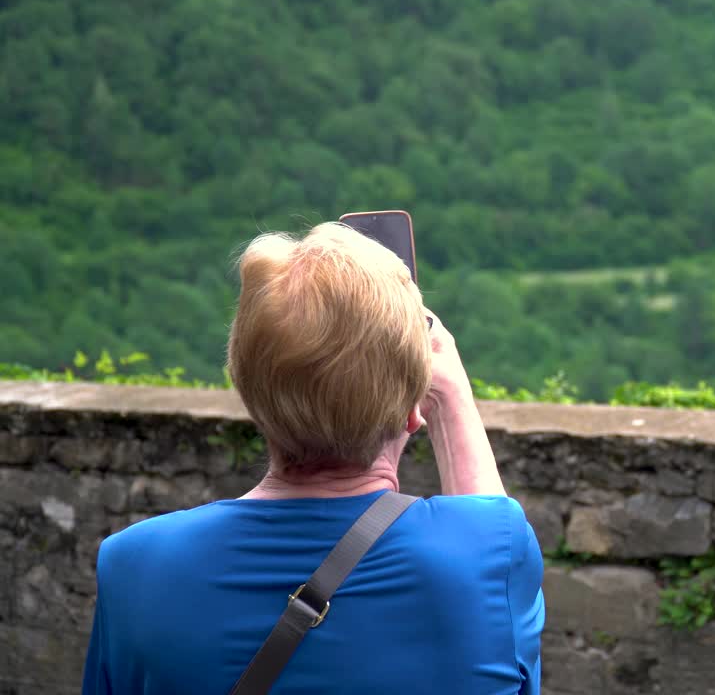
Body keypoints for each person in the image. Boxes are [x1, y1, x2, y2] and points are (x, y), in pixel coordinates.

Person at [82, 222, 544, 694]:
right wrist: (451, 399)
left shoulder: (133, 567)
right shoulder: (490, 553)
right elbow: (490, 541)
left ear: (247, 391)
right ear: (410, 410)